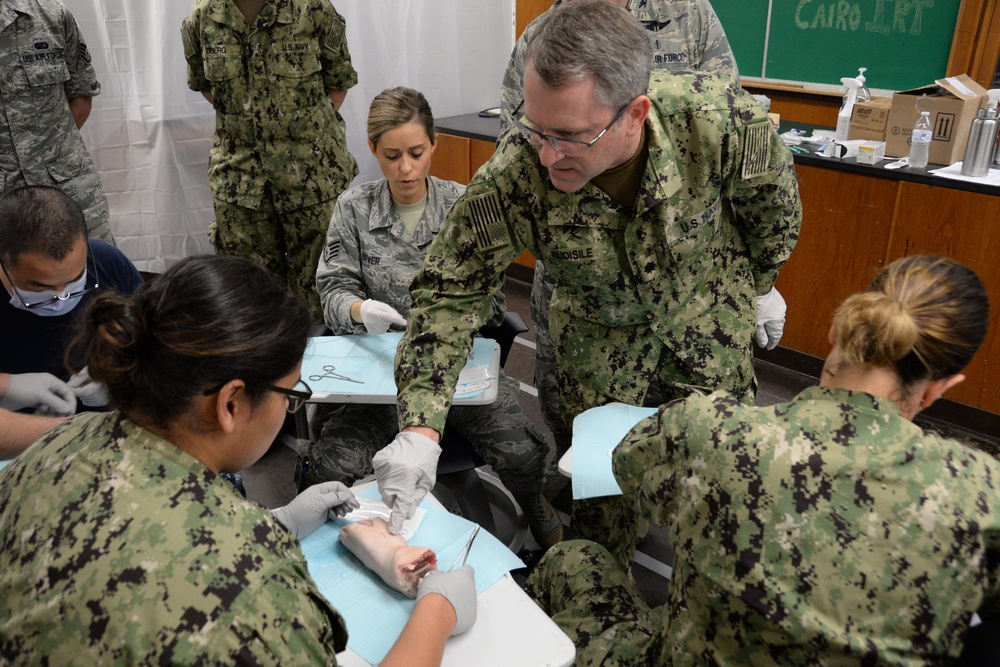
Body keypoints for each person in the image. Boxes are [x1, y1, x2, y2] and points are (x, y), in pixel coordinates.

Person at [376, 0, 801, 567]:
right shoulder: (522, 168)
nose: (548, 154)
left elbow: (773, 212)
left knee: (719, 515)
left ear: (634, 113)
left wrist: (761, 283)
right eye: (535, 127)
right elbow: (450, 291)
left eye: (571, 135)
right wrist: (421, 427)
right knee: (602, 530)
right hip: (597, 359)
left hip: (707, 343)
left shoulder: (720, 122)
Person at [0, 254, 477, 665]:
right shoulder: (250, 593)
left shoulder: (61, 442)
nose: (289, 407)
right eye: (289, 393)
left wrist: (275, 524)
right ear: (230, 404)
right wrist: (437, 612)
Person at [525, 255, 999, 665]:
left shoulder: (707, 430)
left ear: (837, 331)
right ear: (942, 387)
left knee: (573, 557)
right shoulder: (983, 496)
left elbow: (627, 471)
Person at [500, 0, 755, 471]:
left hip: (681, 274)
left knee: (689, 433)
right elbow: (523, 153)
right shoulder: (543, 34)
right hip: (582, 274)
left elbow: (725, 134)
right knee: (574, 418)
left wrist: (759, 280)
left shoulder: (688, 15)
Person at [309, 87, 560, 548]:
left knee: (523, 455)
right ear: (373, 151)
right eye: (391, 155)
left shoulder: (464, 206)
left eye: (416, 153)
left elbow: (496, 304)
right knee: (330, 467)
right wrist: (360, 310)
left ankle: (537, 509)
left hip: (455, 374)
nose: (405, 168)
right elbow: (332, 291)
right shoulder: (354, 209)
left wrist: (452, 314)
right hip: (378, 381)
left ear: (434, 146)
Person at [181, 0, 359, 323]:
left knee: (321, 296)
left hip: (312, 176)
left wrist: (298, 133)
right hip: (241, 182)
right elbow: (207, 88)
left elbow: (338, 81)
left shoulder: (312, 7)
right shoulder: (203, 17)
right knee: (250, 302)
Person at [0, 185, 142, 414]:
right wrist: (5, 390)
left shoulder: (107, 262)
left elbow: (153, 335)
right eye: (40, 286)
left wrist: (125, 375)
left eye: (76, 280)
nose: (62, 296)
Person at [0, 0, 112, 243]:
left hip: (68, 190)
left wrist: (45, 152)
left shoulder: (51, 15)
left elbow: (81, 96)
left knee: (98, 275)